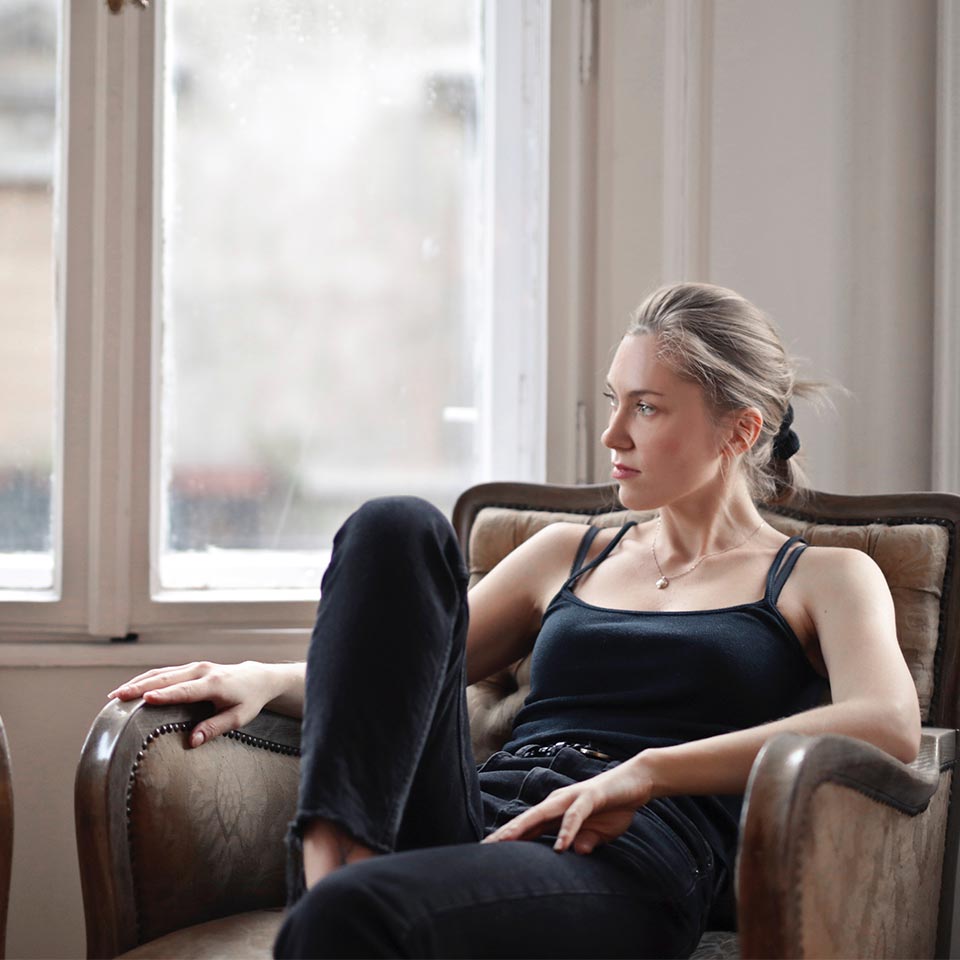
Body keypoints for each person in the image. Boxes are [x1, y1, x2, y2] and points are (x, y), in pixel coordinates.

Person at [109, 282, 921, 959]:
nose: (611, 436)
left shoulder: (824, 576)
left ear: (738, 429)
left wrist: (647, 771)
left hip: (629, 854)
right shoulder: (570, 551)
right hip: (481, 819)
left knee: (355, 917)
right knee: (397, 526)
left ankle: (338, 895)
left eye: (646, 408)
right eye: (614, 402)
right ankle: (331, 853)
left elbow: (886, 724)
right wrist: (267, 679)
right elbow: (408, 672)